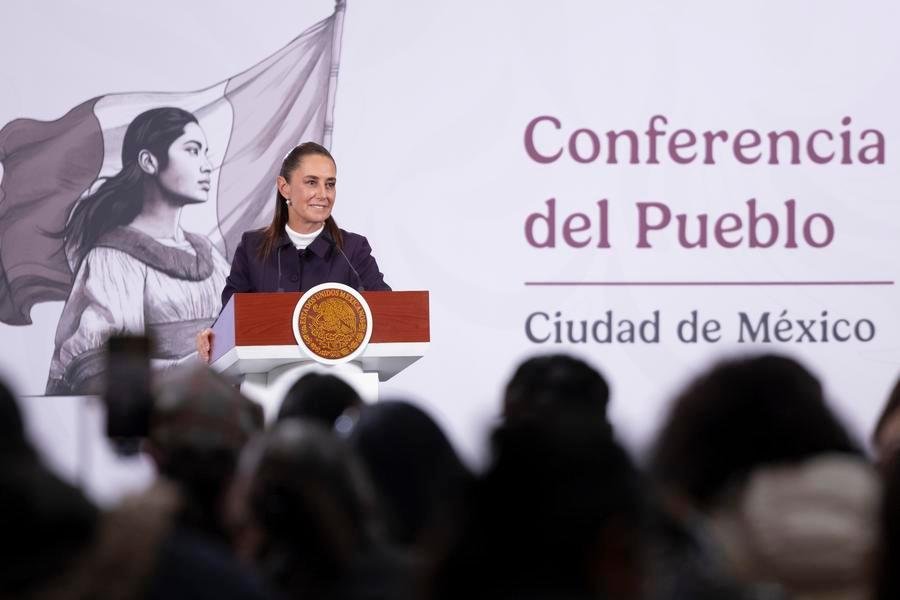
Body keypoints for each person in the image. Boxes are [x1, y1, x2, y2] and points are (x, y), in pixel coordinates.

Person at [46, 107, 230, 395]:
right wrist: (192, 367)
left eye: (206, 152)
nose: (207, 165)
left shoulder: (210, 256)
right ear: (148, 161)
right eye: (193, 151)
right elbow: (100, 370)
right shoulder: (114, 257)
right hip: (152, 423)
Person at [197, 141, 390, 362]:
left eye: (330, 184)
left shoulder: (353, 249)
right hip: (264, 384)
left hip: (334, 383)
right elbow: (230, 319)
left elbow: (386, 315)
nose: (323, 194)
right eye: (311, 182)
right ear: (284, 187)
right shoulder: (252, 247)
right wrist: (211, 336)